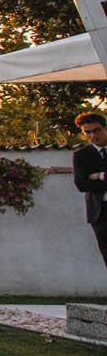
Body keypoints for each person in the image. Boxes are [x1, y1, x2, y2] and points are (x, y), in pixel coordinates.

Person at [74, 112, 107, 270]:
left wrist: (99, 176)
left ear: (105, 128)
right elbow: (81, 184)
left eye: (96, 130)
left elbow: (89, 182)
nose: (93, 135)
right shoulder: (81, 155)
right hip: (100, 213)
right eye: (88, 132)